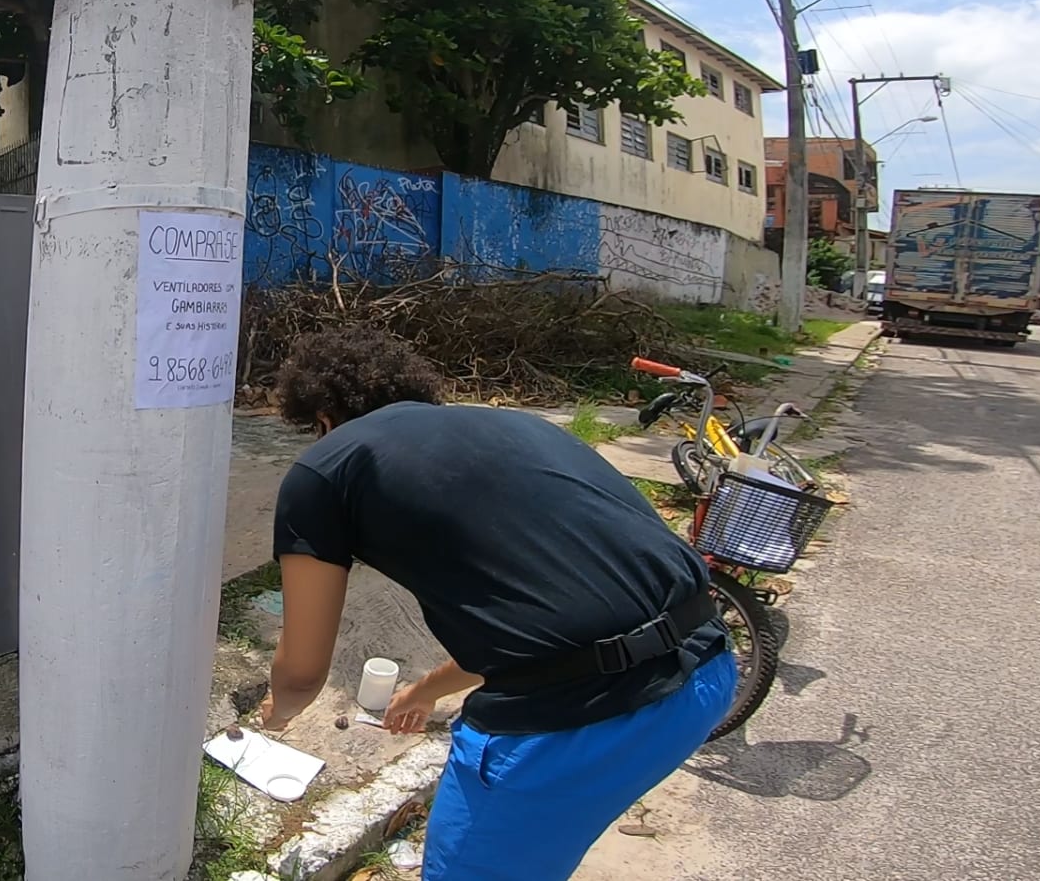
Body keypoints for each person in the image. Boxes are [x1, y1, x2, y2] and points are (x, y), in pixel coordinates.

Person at [254, 326, 734, 881]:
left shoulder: (326, 468)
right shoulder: (517, 428)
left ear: (322, 419)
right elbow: (549, 617)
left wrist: (278, 714)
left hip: (574, 721)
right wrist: (426, 691)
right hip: (703, 673)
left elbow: (301, 672)